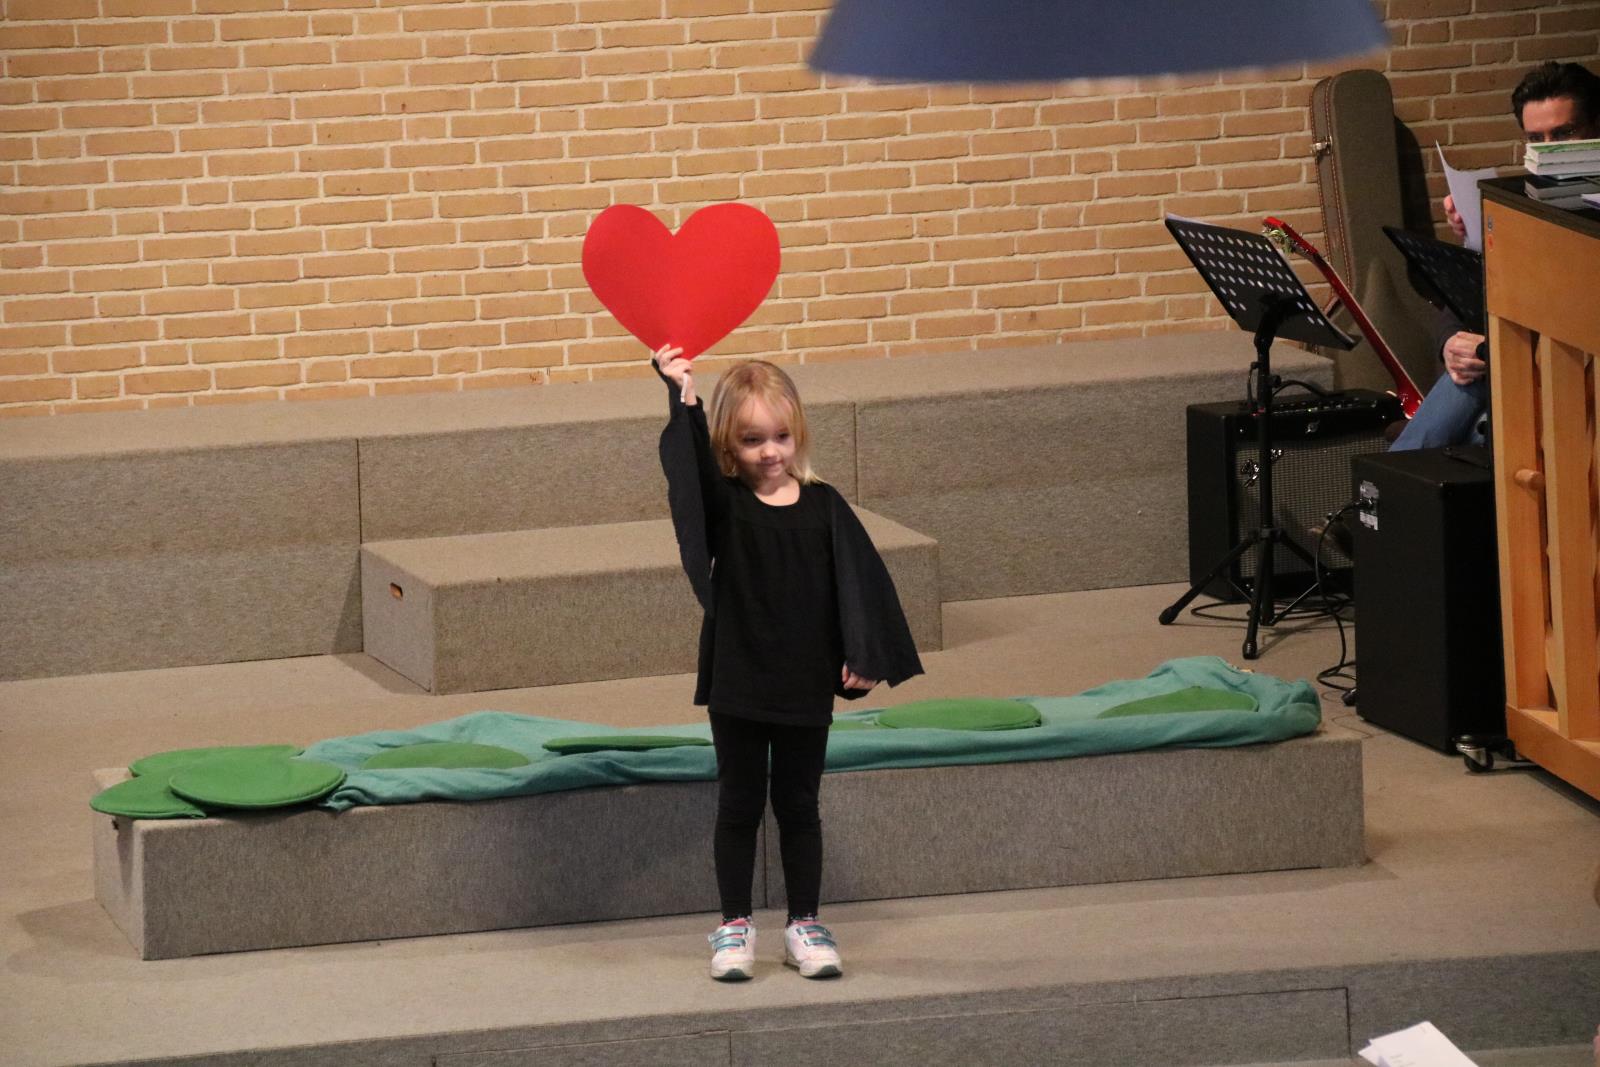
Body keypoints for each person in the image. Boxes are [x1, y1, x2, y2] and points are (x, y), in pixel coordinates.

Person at [652, 344, 923, 982]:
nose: (769, 452)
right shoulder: (726, 504)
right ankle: (734, 925)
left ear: (797, 432)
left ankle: (805, 923)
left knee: (800, 805)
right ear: (729, 442)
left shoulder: (824, 506)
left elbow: (860, 582)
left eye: (780, 436)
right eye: (751, 440)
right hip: (740, 679)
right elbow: (689, 478)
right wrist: (682, 398)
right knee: (739, 803)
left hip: (804, 682)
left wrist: (865, 654)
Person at [1391, 61, 1600, 451]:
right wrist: (1451, 343)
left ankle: (1390, 479)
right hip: (1510, 368)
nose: (1549, 150)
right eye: (1536, 139)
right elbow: (1465, 299)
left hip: (1571, 370)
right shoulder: (1522, 203)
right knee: (1475, 412)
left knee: (1477, 427)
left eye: (1564, 134)